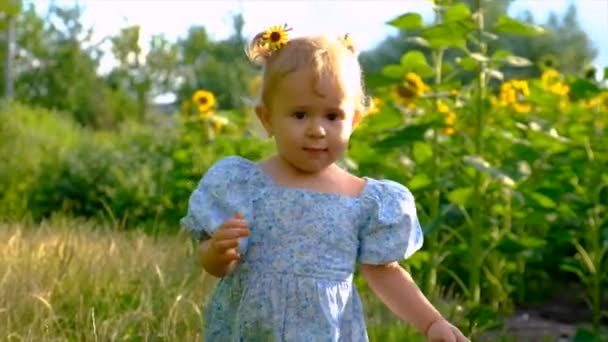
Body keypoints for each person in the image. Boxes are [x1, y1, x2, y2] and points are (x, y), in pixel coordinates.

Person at [181, 24, 469, 342]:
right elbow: (215, 264)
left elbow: (385, 271)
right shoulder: (243, 185)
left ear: (354, 121)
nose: (317, 130)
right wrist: (218, 253)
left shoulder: (365, 200)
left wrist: (432, 323)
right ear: (267, 118)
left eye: (332, 117)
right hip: (253, 330)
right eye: (300, 115)